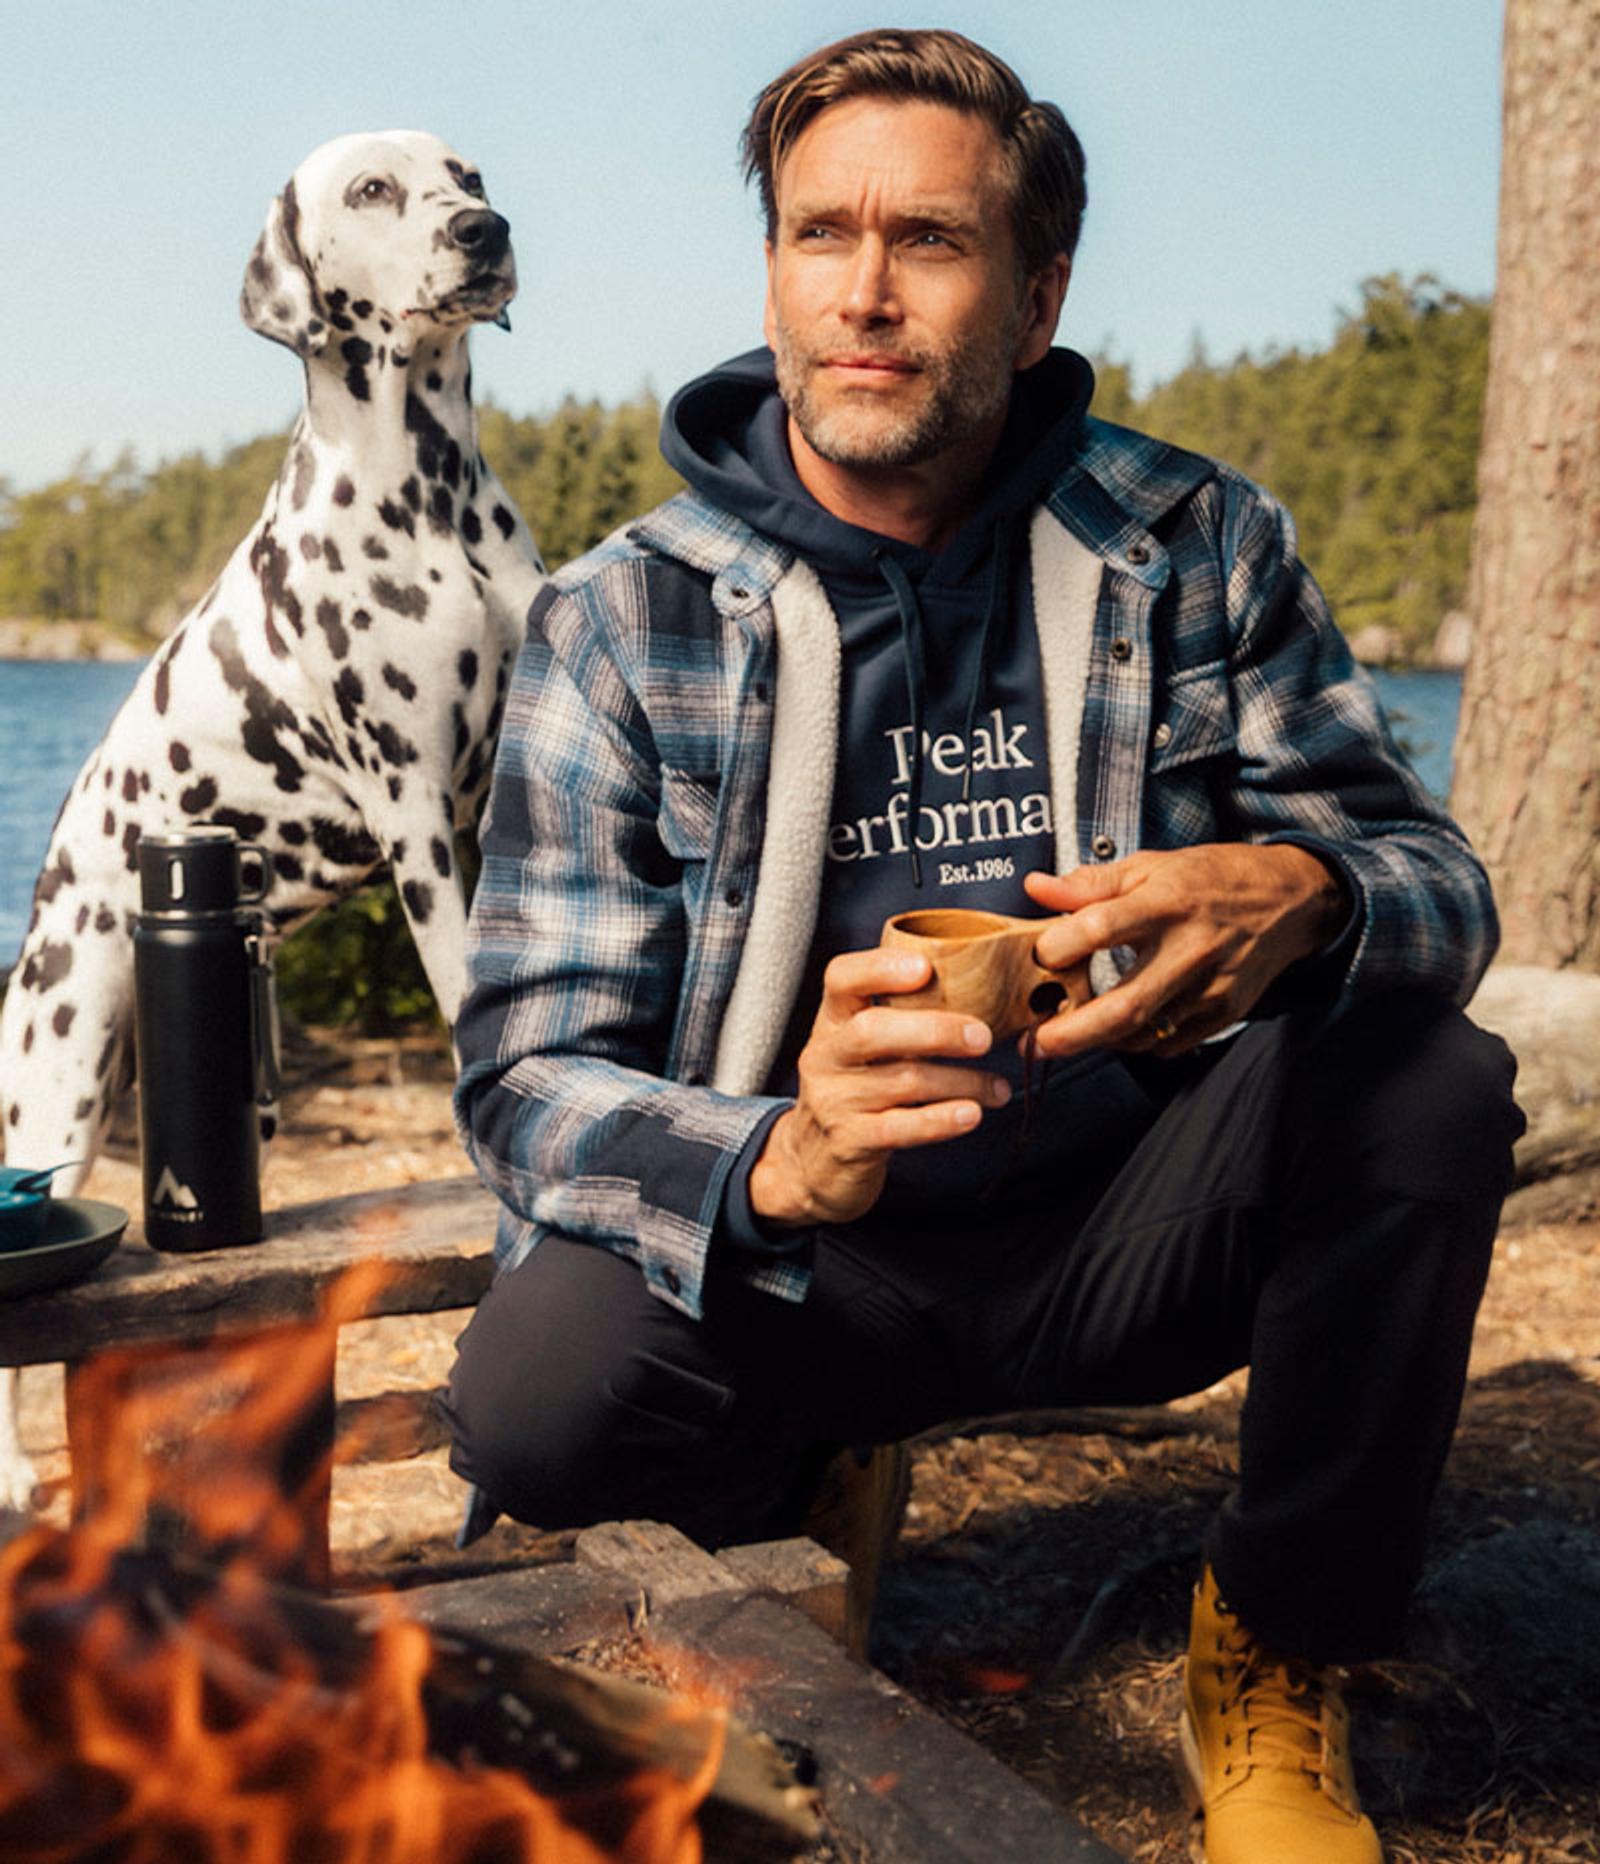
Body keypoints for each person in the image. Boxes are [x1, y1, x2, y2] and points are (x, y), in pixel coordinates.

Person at [444, 29, 1522, 1863]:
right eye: (818, 235)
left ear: (1035, 297)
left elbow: (1441, 888)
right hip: (815, 1260)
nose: (862, 294)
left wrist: (1315, 894)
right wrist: (781, 1153)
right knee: (531, 1406)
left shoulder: (1194, 544)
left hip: (1127, 1218)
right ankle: (806, 1474)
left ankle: (1275, 1643)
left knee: (1431, 1085)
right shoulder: (622, 614)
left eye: (928, 243)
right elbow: (527, 1073)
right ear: (771, 266)